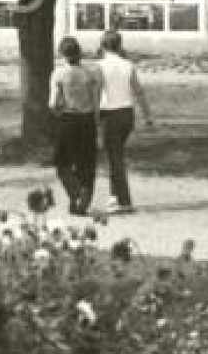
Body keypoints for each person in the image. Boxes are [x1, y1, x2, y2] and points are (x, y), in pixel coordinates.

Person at [95, 30, 153, 217]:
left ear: (103, 46)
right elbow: (139, 91)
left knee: (114, 158)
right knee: (116, 155)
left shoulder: (99, 66)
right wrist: (147, 115)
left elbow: (97, 94)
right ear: (120, 46)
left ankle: (119, 199)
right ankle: (119, 198)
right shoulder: (128, 65)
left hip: (109, 114)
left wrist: (93, 117)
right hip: (126, 114)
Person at [48, 36, 100, 215]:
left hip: (68, 119)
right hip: (87, 120)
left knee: (62, 163)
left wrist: (58, 110)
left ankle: (74, 190)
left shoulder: (59, 73)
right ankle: (80, 202)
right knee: (86, 162)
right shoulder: (90, 73)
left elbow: (53, 103)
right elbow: (96, 100)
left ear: (62, 54)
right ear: (79, 52)